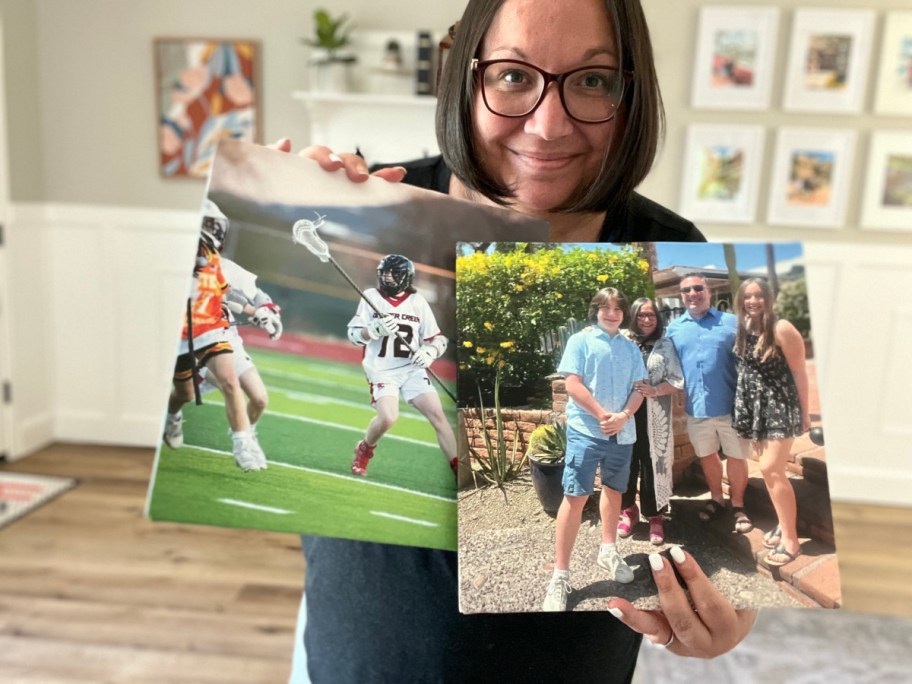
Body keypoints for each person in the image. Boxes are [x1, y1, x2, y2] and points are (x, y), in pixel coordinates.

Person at [285, 0, 756, 677]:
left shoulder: (673, 252)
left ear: (633, 93)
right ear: (464, 76)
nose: (547, 123)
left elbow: (721, 548)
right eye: (512, 76)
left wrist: (726, 613)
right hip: (351, 657)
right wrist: (273, 193)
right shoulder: (368, 212)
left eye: (592, 80)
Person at [543, 287, 646, 612]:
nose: (612, 313)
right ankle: (560, 575)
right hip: (587, 432)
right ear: (595, 310)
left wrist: (624, 416)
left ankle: (608, 550)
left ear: (623, 313)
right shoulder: (581, 341)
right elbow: (572, 383)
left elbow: (639, 388)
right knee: (575, 497)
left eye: (617, 308)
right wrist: (602, 415)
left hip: (622, 434)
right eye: (605, 308)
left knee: (615, 491)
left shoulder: (631, 349)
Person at [162, 200, 267, 472]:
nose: (213, 232)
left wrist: (254, 311)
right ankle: (171, 415)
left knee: (230, 383)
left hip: (210, 328)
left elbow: (226, 293)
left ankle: (243, 445)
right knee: (184, 393)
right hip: (180, 333)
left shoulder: (212, 259)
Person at [347, 254, 457, 476]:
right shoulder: (371, 297)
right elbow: (353, 334)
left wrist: (429, 352)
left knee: (438, 415)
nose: (387, 278)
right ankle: (365, 449)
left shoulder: (417, 302)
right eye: (384, 273)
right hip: (382, 370)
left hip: (412, 369)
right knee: (388, 417)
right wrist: (373, 330)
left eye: (393, 274)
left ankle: (458, 469)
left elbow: (438, 339)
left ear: (405, 278)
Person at [665, 272, 752, 534]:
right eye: (687, 290)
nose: (693, 294)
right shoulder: (674, 329)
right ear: (681, 296)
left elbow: (754, 356)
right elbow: (653, 352)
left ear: (708, 291)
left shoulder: (732, 323)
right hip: (696, 409)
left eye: (698, 288)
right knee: (707, 456)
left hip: (731, 406)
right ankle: (716, 498)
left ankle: (738, 505)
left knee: (737, 456)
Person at [733, 277, 810, 567]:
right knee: (770, 473)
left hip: (780, 404)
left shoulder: (782, 328)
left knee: (770, 468)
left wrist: (805, 413)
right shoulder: (746, 327)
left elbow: (800, 373)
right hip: (757, 409)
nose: (753, 302)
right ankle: (783, 523)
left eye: (758, 296)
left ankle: (792, 541)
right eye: (747, 297)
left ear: (769, 297)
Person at [619, 297, 684, 546]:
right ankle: (629, 511)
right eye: (641, 315)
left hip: (654, 416)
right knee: (625, 464)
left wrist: (654, 391)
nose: (646, 320)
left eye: (651, 315)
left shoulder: (665, 344)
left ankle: (655, 515)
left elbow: (678, 380)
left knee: (652, 466)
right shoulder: (622, 340)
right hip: (625, 415)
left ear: (658, 318)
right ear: (633, 316)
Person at [197, 256, 283, 434]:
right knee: (188, 393)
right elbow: (225, 293)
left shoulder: (224, 265)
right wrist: (253, 311)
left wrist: (268, 309)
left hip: (227, 338)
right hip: (194, 339)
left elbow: (256, 293)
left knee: (259, 399)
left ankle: (245, 436)